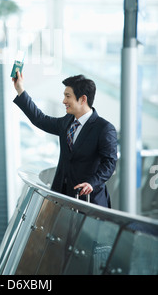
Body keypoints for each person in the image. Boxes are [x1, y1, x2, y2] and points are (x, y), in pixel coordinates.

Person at [12, 72, 118, 208]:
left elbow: (109, 163)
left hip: (90, 202)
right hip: (62, 198)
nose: (64, 101)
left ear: (83, 99)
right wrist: (20, 89)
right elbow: (40, 119)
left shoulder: (104, 128)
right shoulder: (66, 122)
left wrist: (92, 182)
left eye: (68, 96)